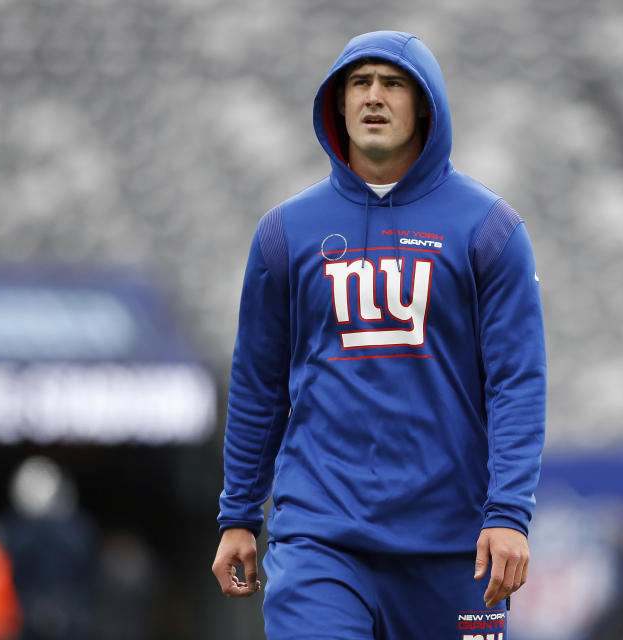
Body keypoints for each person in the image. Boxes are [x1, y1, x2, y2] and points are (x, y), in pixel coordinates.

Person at [212, 30, 547, 639]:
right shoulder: (285, 233)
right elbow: (258, 385)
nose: (373, 96)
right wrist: (238, 513)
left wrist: (509, 515)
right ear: (337, 105)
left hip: (455, 547)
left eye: (392, 83)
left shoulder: (490, 229)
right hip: (321, 535)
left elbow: (516, 384)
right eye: (358, 83)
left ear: (424, 105)